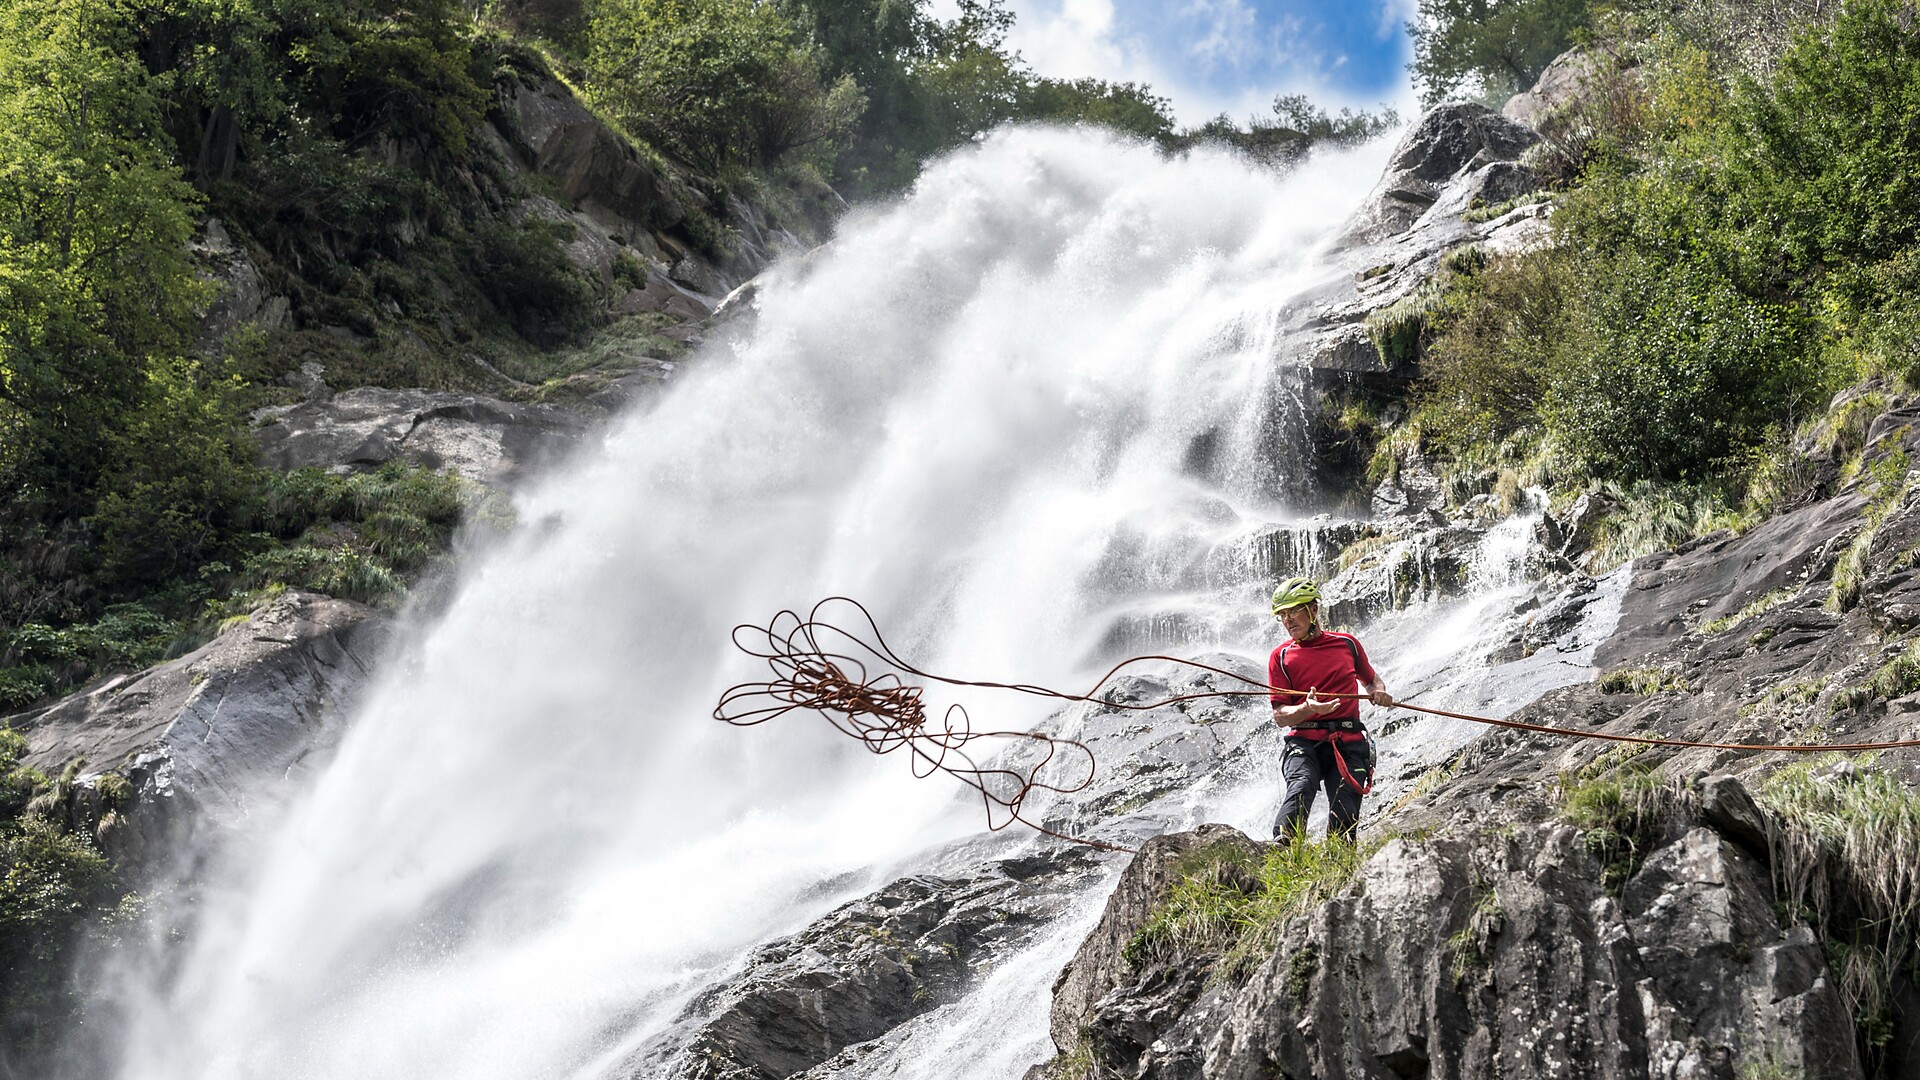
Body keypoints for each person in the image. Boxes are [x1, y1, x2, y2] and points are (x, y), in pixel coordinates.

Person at [1267, 576, 1393, 842]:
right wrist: (1307, 708)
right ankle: (1283, 847)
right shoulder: (1280, 657)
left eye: (1293, 612)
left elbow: (1370, 680)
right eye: (1283, 615)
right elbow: (1280, 716)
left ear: (1313, 610)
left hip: (1347, 740)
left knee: (1345, 812)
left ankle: (1338, 865)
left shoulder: (1346, 644)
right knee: (1301, 784)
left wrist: (1377, 692)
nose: (1288, 621)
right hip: (1304, 741)